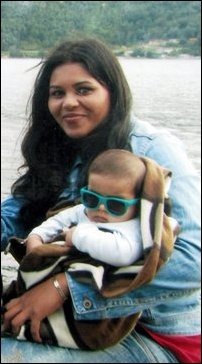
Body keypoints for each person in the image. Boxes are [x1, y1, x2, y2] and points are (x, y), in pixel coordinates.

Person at [1, 38, 200, 363]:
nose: (68, 103)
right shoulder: (62, 150)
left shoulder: (151, 151)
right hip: (77, 323)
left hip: (157, 334)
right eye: (57, 93)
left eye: (83, 90)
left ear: (112, 91)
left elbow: (194, 261)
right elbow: (16, 213)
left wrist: (68, 286)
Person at [2, 149, 178, 349]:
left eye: (116, 205)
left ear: (136, 206)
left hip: (96, 318)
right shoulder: (86, 210)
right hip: (56, 284)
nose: (101, 209)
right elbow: (59, 220)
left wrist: (77, 235)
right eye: (92, 198)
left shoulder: (132, 229)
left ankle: (45, 329)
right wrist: (37, 237)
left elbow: (123, 253)